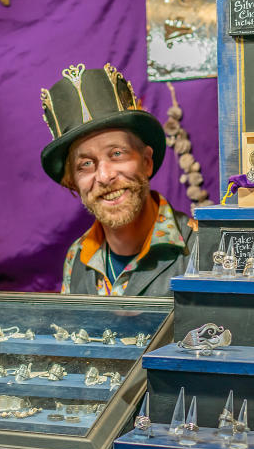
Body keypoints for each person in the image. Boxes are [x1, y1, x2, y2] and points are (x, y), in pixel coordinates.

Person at [40, 63, 196, 296]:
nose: (104, 176)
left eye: (117, 153)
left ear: (146, 162)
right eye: (86, 164)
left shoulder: (199, 248)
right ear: (73, 182)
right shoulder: (77, 257)